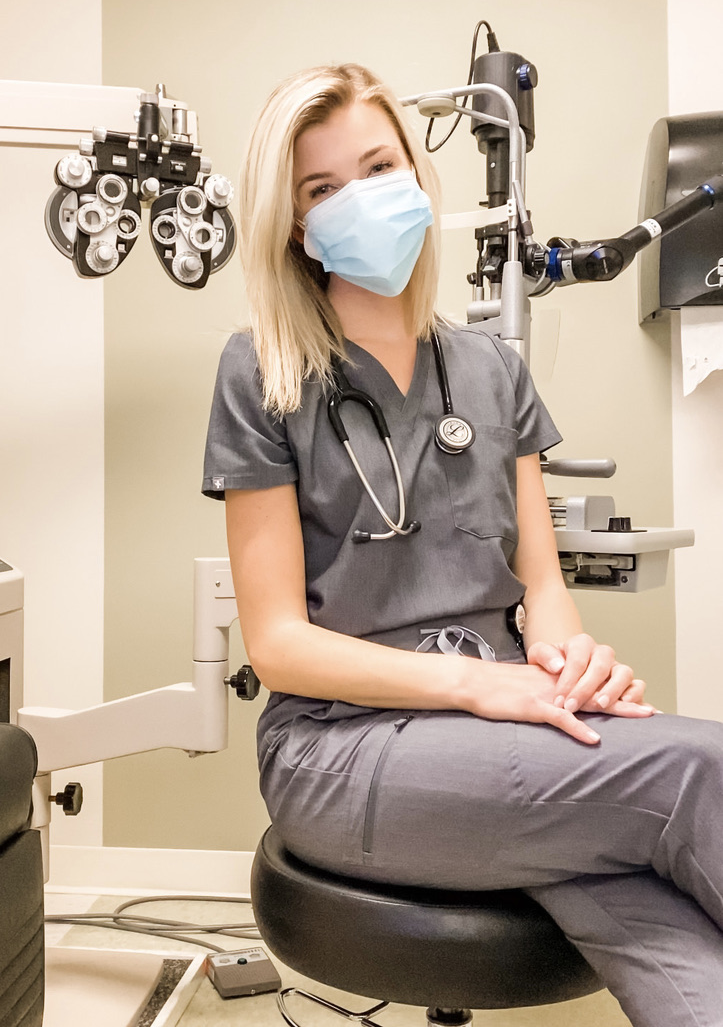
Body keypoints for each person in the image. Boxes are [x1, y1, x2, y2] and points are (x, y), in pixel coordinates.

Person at [203, 63, 723, 1027]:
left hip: (503, 725)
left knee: (679, 940)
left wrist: (566, 660)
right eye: (322, 189)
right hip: (341, 743)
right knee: (698, 769)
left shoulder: (491, 369)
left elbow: (542, 587)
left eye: (377, 167)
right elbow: (276, 644)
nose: (358, 199)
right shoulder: (261, 372)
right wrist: (480, 685)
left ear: (417, 173)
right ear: (292, 223)